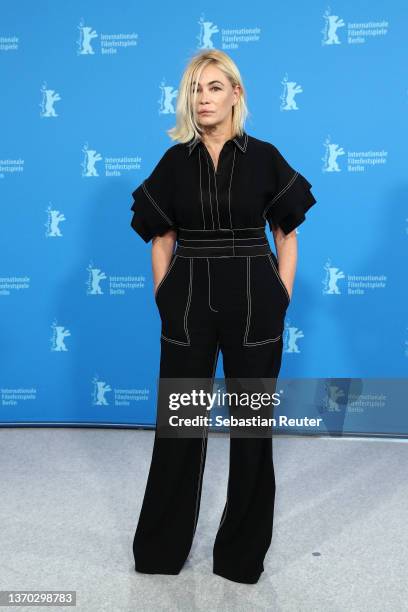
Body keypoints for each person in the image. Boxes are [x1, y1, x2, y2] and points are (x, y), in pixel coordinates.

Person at [129, 49, 317, 584]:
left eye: (214, 87)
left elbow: (288, 234)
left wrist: (280, 293)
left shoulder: (265, 157)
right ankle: (161, 552)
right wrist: (164, 293)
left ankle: (240, 558)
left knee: (252, 428)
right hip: (187, 299)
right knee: (181, 425)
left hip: (256, 297)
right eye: (195, 89)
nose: (203, 98)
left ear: (236, 93)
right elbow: (160, 236)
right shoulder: (174, 162)